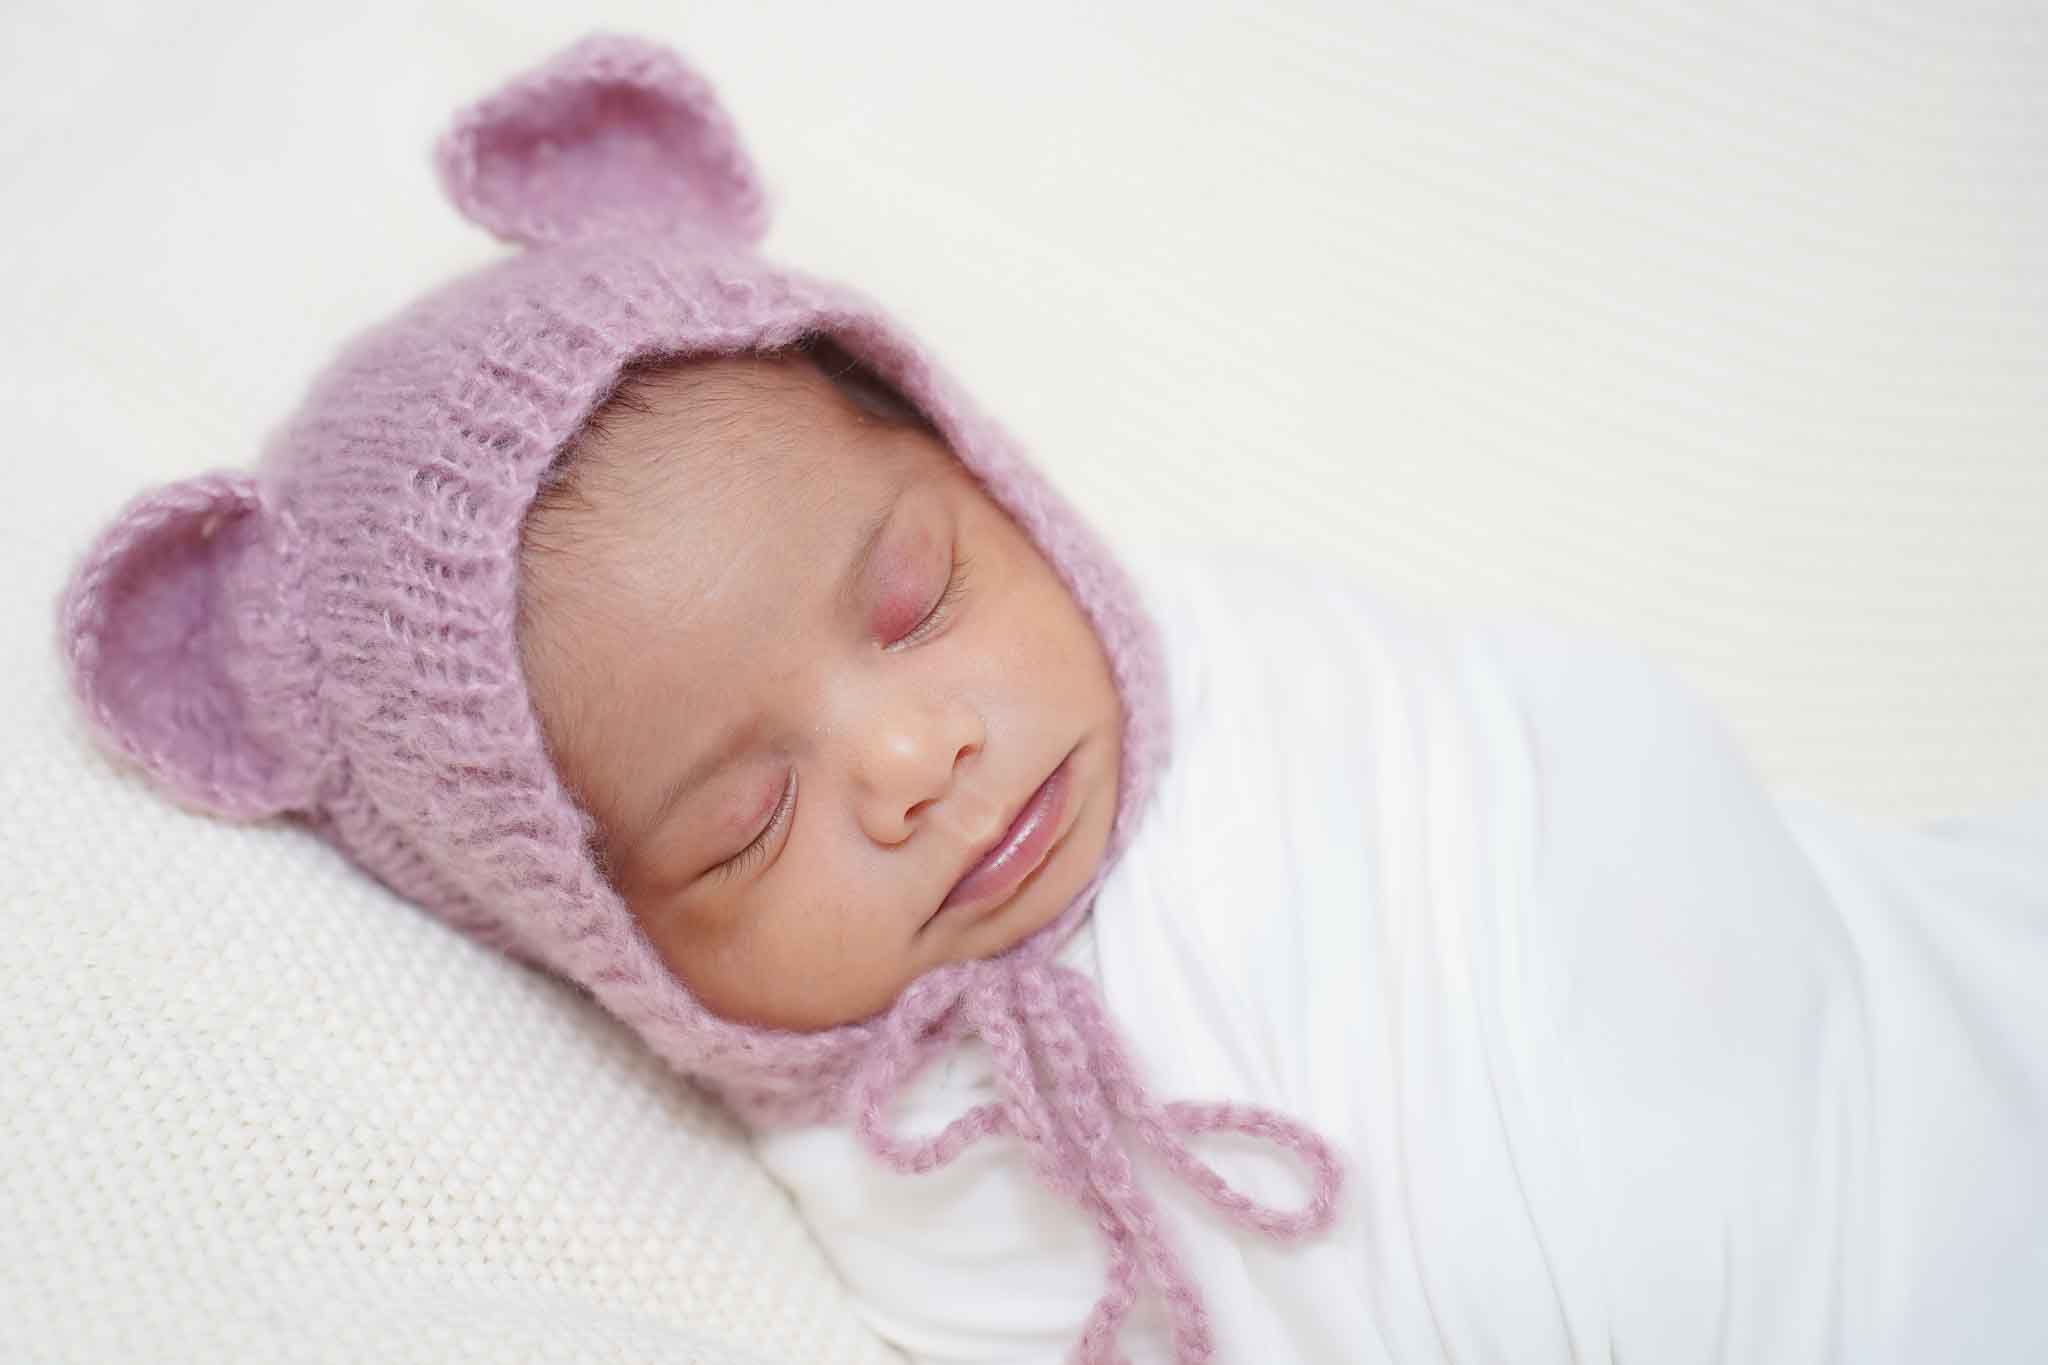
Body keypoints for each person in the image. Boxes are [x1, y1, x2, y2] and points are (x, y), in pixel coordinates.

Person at [56, 32, 2048, 1365]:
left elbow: (1609, 801)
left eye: (916, 598)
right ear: (609, 947)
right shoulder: (917, 1170)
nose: (914, 756)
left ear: (987, 475)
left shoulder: (1271, 673)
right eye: (743, 823)